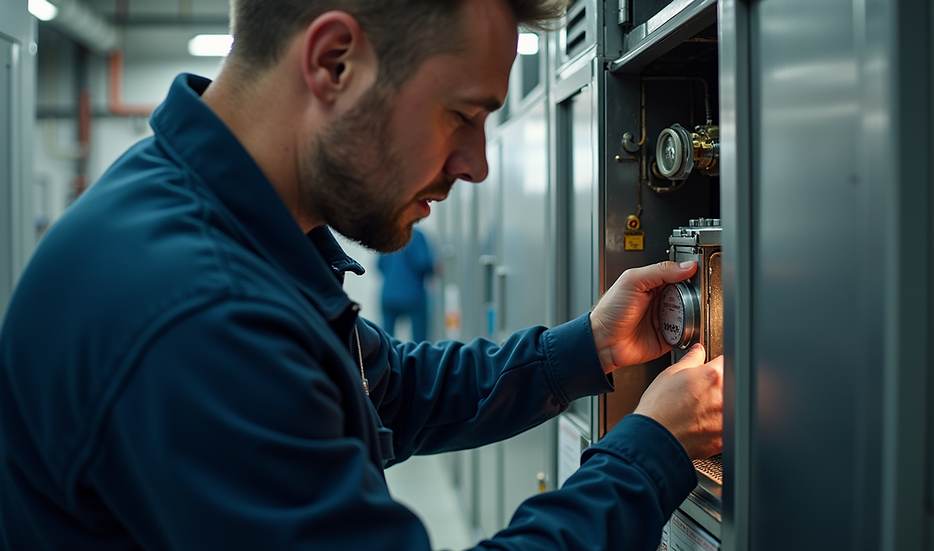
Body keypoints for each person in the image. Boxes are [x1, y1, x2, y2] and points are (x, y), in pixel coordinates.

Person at [0, 0, 724, 549]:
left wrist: (588, 347)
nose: (477, 163)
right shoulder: (196, 315)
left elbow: (392, 392)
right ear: (334, 62)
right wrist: (649, 451)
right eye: (462, 115)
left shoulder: (223, 219)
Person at [378, 228, 435, 342]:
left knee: (386, 340)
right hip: (413, 296)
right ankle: (418, 360)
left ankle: (388, 359)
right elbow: (422, 263)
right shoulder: (417, 236)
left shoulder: (388, 234)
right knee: (419, 343)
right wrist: (434, 268)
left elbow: (380, 265)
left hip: (389, 295)